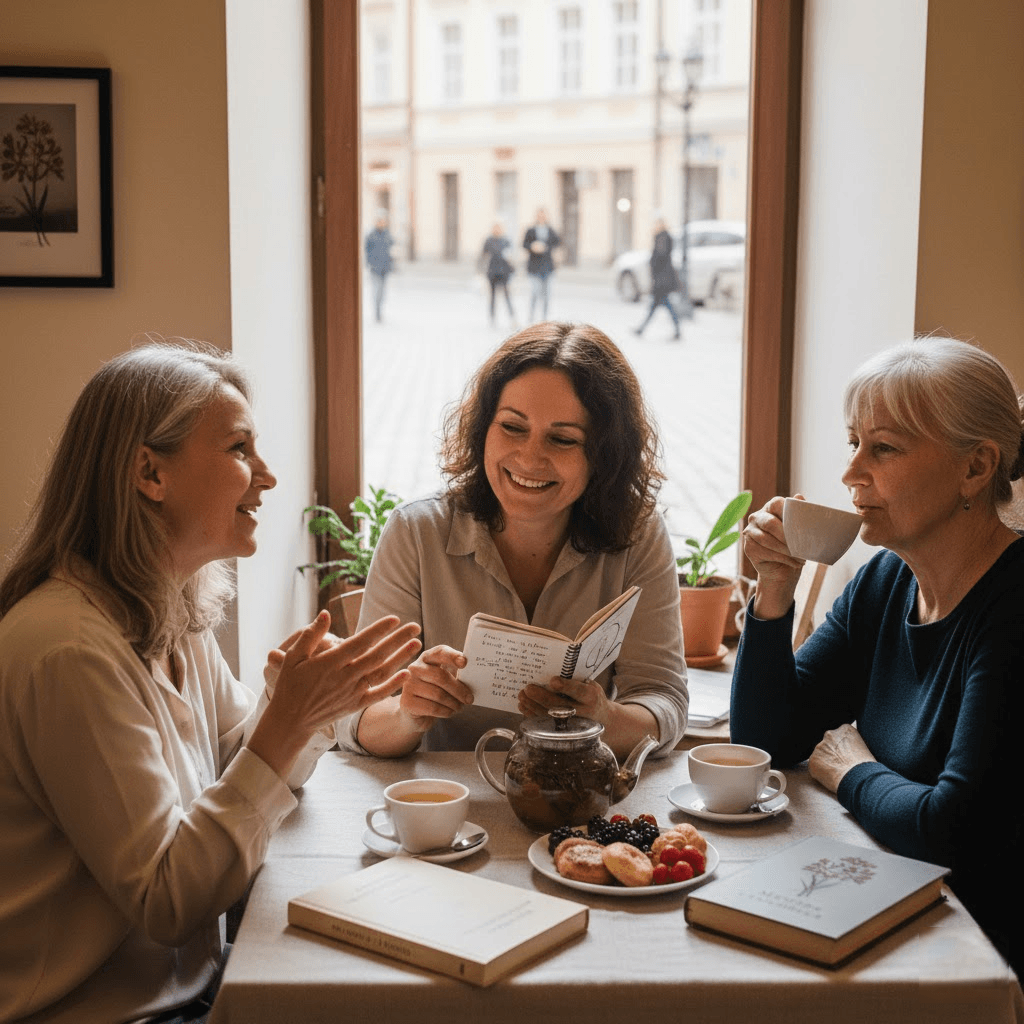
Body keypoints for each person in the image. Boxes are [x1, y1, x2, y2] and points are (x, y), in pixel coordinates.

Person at [0, 341, 421, 1024]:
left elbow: (234, 767)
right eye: (239, 450)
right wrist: (285, 725)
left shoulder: (172, 609)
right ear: (149, 474)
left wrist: (305, 710)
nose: (268, 476)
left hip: (191, 986)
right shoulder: (66, 651)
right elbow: (169, 902)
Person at [732, 337, 1023, 977]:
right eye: (853, 443)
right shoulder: (885, 580)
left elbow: (948, 830)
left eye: (883, 448)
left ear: (975, 469)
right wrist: (773, 594)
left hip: (980, 953)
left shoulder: (1013, 609)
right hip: (899, 910)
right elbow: (768, 739)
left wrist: (851, 769)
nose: (851, 471)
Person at [338, 321, 688, 760]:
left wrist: (606, 719)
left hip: (577, 798)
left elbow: (664, 699)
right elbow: (355, 718)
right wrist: (408, 713)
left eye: (562, 439)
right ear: (483, 428)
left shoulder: (637, 533)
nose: (529, 457)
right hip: (446, 810)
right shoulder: (416, 531)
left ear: (605, 456)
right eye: (512, 427)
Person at [633, 218, 681, 340]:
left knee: (661, 305)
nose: (655, 226)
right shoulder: (664, 237)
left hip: (662, 280)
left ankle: (642, 328)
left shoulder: (662, 237)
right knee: (660, 306)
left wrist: (653, 264)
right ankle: (642, 328)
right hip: (663, 279)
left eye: (657, 224)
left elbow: (660, 256)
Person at [522, 209, 560, 322]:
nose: (541, 217)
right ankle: (532, 317)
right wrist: (532, 247)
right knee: (535, 292)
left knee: (547, 294)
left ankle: (545, 318)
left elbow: (557, 242)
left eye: (543, 215)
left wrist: (546, 247)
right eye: (539, 215)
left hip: (548, 267)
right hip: (534, 267)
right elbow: (524, 244)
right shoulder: (530, 230)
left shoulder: (551, 230)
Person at [479, 220, 518, 328]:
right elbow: (483, 256)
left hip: (504, 272)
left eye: (499, 228)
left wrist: (513, 269)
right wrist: (480, 271)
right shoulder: (489, 240)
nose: (497, 230)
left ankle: (512, 317)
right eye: (495, 228)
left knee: (507, 296)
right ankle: (492, 318)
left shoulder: (506, 241)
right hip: (492, 272)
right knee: (492, 297)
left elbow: (511, 256)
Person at [364, 212, 394, 323]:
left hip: (385, 268)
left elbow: (391, 247)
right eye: (380, 221)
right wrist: (369, 263)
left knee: (382, 292)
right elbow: (366, 251)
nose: (382, 223)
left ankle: (380, 311)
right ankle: (377, 313)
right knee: (377, 290)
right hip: (375, 268)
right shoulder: (371, 235)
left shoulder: (387, 234)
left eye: (383, 221)